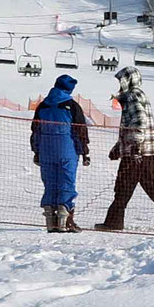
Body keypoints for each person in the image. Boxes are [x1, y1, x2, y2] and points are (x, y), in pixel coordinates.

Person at [96, 67, 154, 231]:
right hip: (146, 152)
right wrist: (118, 147)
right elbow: (132, 126)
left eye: (120, 81)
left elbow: (140, 122)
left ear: (126, 81)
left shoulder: (132, 96)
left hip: (136, 153)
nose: (119, 85)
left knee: (122, 188)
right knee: (152, 187)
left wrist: (134, 145)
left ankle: (113, 222)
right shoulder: (137, 95)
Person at [31, 74, 90, 233]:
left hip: (46, 150)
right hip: (66, 149)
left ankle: (51, 221)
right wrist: (84, 151)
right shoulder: (72, 105)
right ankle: (65, 221)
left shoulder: (43, 105)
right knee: (66, 181)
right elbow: (80, 130)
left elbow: (35, 130)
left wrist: (37, 151)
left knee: (50, 183)